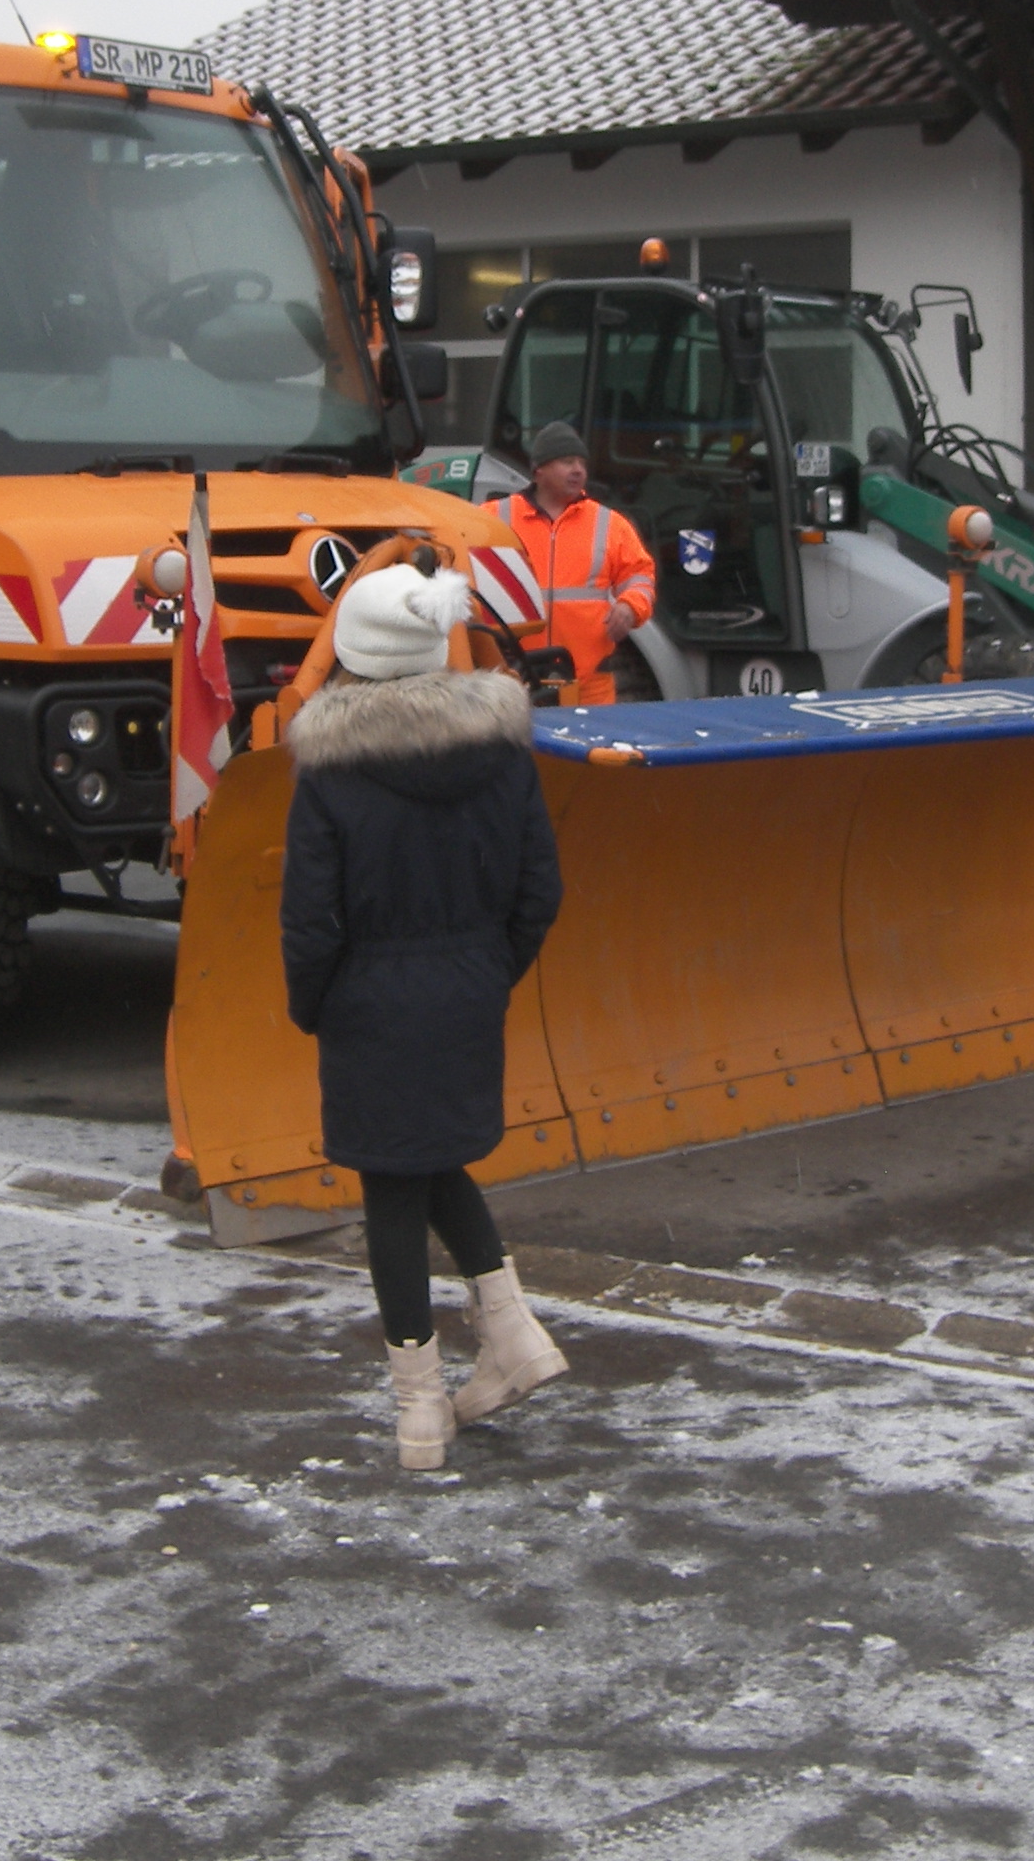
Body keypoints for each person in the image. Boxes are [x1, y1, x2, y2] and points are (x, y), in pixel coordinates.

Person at [281, 558, 566, 1469]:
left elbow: (310, 917)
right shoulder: (502, 753)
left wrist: (314, 1005)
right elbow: (538, 891)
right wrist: (486, 971)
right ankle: (513, 1336)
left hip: (368, 999)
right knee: (430, 1160)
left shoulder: (329, 769)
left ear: (356, 655)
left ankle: (419, 1414)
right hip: (468, 987)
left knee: (391, 1188)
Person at [494, 424, 657, 706]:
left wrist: (630, 607)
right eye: (567, 461)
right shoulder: (495, 518)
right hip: (513, 681)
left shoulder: (609, 524)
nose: (578, 470)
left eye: (582, 463)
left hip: (589, 684)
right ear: (539, 470)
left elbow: (640, 576)